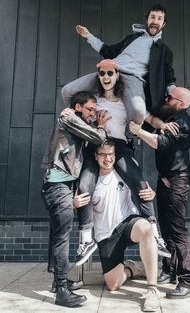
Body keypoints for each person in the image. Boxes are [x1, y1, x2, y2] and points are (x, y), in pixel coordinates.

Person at [73, 59, 171, 267]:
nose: (106, 78)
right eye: (102, 74)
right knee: (83, 187)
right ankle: (85, 239)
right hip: (96, 146)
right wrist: (70, 113)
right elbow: (78, 110)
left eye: (110, 73)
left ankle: (154, 234)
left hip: (120, 146)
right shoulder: (95, 100)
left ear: (117, 76)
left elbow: (150, 118)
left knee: (141, 185)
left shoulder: (126, 102)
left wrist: (163, 125)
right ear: (98, 77)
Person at [129, 87, 190, 299]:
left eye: (169, 97)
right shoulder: (169, 116)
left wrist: (138, 131)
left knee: (177, 230)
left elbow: (161, 143)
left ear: (179, 103)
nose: (165, 99)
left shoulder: (181, 122)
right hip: (166, 180)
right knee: (166, 230)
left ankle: (189, 280)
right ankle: (169, 270)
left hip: (177, 181)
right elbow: (150, 114)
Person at [74, 139, 160, 312]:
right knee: (112, 285)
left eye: (110, 155)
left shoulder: (125, 173)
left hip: (128, 223)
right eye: (103, 155)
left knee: (146, 229)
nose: (107, 159)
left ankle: (152, 290)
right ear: (95, 156)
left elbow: (143, 189)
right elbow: (78, 206)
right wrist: (73, 204)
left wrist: (151, 192)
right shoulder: (90, 181)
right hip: (105, 235)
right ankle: (131, 269)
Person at [41, 91, 110, 307]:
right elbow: (99, 138)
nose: (93, 113)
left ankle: (57, 282)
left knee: (57, 234)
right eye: (90, 109)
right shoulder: (69, 118)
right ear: (78, 107)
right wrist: (100, 125)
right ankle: (62, 290)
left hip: (62, 185)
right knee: (62, 237)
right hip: (57, 186)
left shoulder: (73, 121)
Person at [61, 4, 176, 126]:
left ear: (163, 24)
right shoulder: (132, 38)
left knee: (138, 112)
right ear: (147, 19)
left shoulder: (164, 51)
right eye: (152, 17)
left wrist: (174, 93)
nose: (155, 21)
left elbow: (169, 76)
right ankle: (81, 124)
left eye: (159, 18)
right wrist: (88, 36)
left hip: (133, 79)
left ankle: (128, 135)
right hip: (111, 71)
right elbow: (109, 51)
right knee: (67, 91)